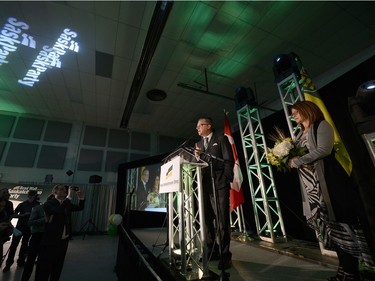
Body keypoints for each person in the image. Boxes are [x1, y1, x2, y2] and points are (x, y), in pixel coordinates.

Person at [289, 101, 374, 281]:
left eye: (296, 112)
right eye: (293, 113)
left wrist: (299, 160)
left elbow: (324, 149)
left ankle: (351, 272)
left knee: (341, 224)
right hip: (313, 188)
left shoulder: (321, 125)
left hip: (330, 182)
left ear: (307, 110)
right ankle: (343, 270)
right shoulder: (298, 134)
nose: (294, 115)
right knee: (331, 230)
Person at [194, 117, 234, 270]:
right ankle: (212, 250)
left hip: (219, 185)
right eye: (197, 126)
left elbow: (228, 160)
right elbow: (198, 165)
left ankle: (225, 255)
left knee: (222, 221)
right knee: (206, 220)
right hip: (204, 187)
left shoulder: (221, 138)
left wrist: (225, 179)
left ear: (209, 126)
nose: (197, 129)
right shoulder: (198, 144)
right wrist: (196, 157)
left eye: (199, 126)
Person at [35, 184, 84, 281]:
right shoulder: (49, 203)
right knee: (45, 268)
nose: (64, 191)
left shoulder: (67, 204)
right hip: (50, 242)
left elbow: (79, 208)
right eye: (61, 189)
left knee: (58, 267)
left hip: (63, 241)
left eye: (65, 189)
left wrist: (81, 198)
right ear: (55, 192)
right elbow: (57, 211)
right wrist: (69, 197)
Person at [3, 189, 39, 272]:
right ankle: (9, 263)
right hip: (20, 227)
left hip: (29, 228)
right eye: (29, 195)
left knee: (24, 245)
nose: (30, 197)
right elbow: (14, 214)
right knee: (14, 245)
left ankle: (21, 261)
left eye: (32, 196)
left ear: (35, 196)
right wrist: (23, 215)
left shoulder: (37, 205)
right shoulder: (22, 204)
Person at [20, 194, 54, 281]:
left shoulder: (56, 211)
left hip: (48, 238)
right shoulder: (38, 208)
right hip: (37, 237)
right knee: (30, 261)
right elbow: (30, 222)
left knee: (42, 263)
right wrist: (44, 219)